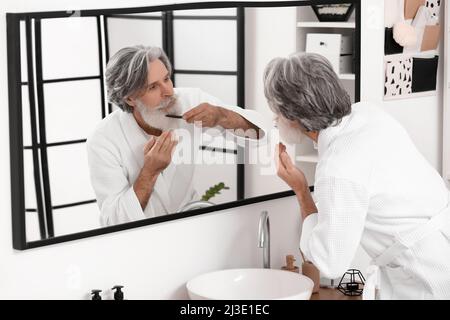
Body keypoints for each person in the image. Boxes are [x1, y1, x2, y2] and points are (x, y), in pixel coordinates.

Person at [264, 52, 450, 299]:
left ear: (293, 116)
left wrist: (301, 190)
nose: (275, 120)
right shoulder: (368, 114)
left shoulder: (338, 167)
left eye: (277, 113)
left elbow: (330, 262)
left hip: (428, 275)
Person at [87, 45, 265, 226]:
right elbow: (114, 221)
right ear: (130, 98)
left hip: (189, 221)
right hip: (140, 238)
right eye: (153, 87)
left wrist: (222, 116)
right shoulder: (103, 140)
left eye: (167, 79)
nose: (168, 92)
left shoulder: (189, 102)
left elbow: (259, 134)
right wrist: (150, 172)